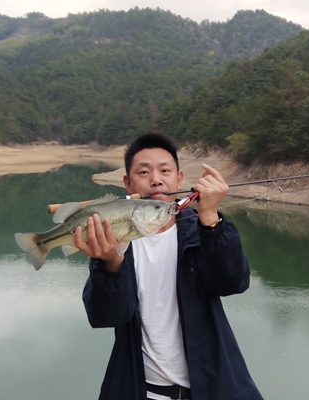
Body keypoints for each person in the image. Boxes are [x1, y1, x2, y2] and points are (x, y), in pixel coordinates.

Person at [74, 131, 264, 400]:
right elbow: (106, 317)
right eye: (144, 172)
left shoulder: (202, 231)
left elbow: (233, 283)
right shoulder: (114, 241)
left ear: (179, 178)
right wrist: (111, 264)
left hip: (212, 391)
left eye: (165, 170)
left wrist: (211, 219)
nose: (156, 179)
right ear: (127, 183)